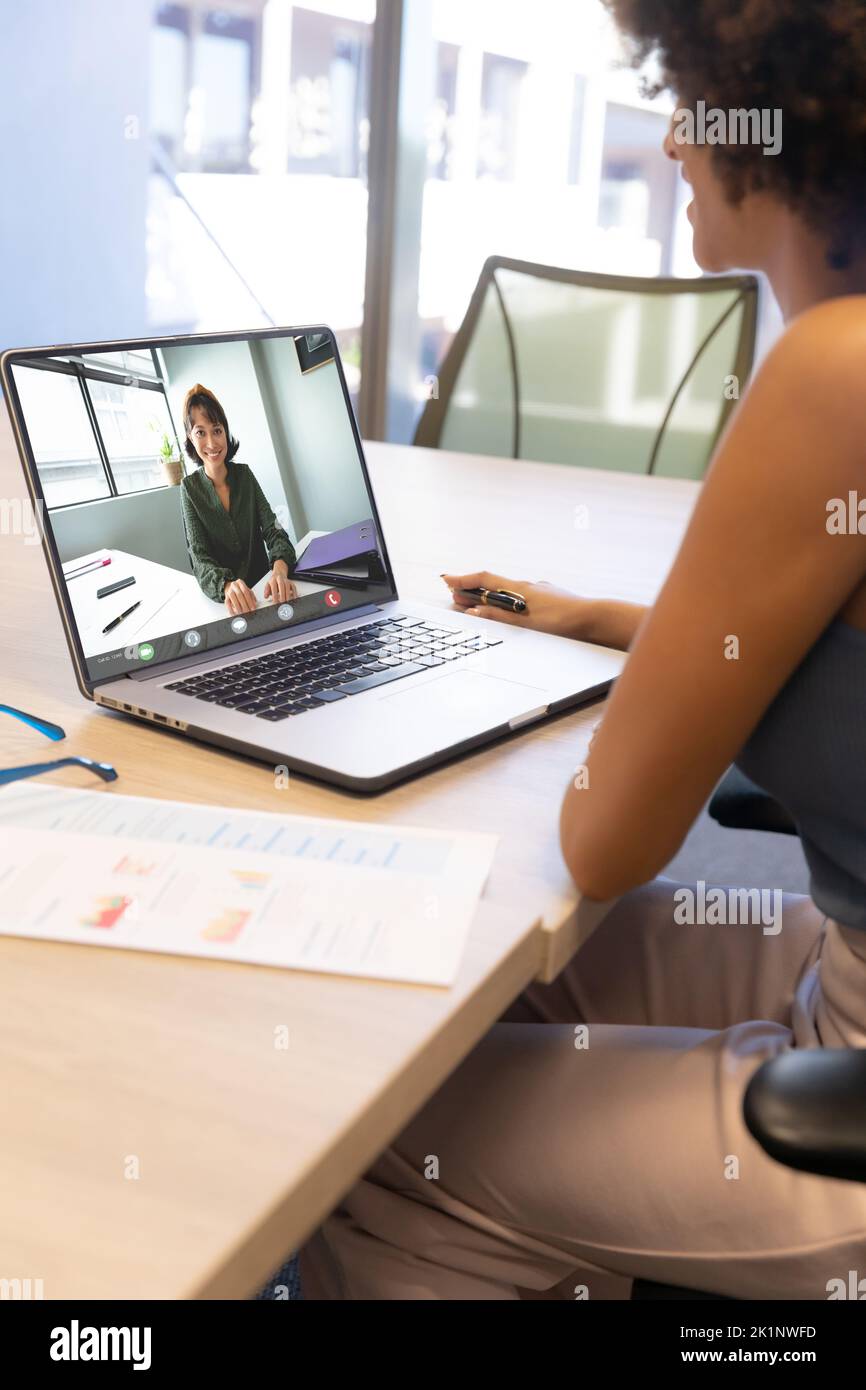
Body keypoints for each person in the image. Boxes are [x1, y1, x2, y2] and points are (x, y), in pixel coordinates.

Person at [300, 0, 866, 1300]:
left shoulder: (832, 372)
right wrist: (600, 621)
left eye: (692, 105)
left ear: (780, 127)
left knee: (388, 1137)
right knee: (459, 1014)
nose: (671, 144)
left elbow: (606, 841)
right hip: (832, 949)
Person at [179, 384, 298, 616]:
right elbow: (199, 558)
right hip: (229, 609)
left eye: (217, 430)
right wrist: (226, 585)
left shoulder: (245, 475)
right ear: (190, 439)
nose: (212, 443)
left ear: (226, 432)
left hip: (268, 594)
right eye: (200, 432)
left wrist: (280, 571)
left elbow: (274, 530)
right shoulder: (188, 489)